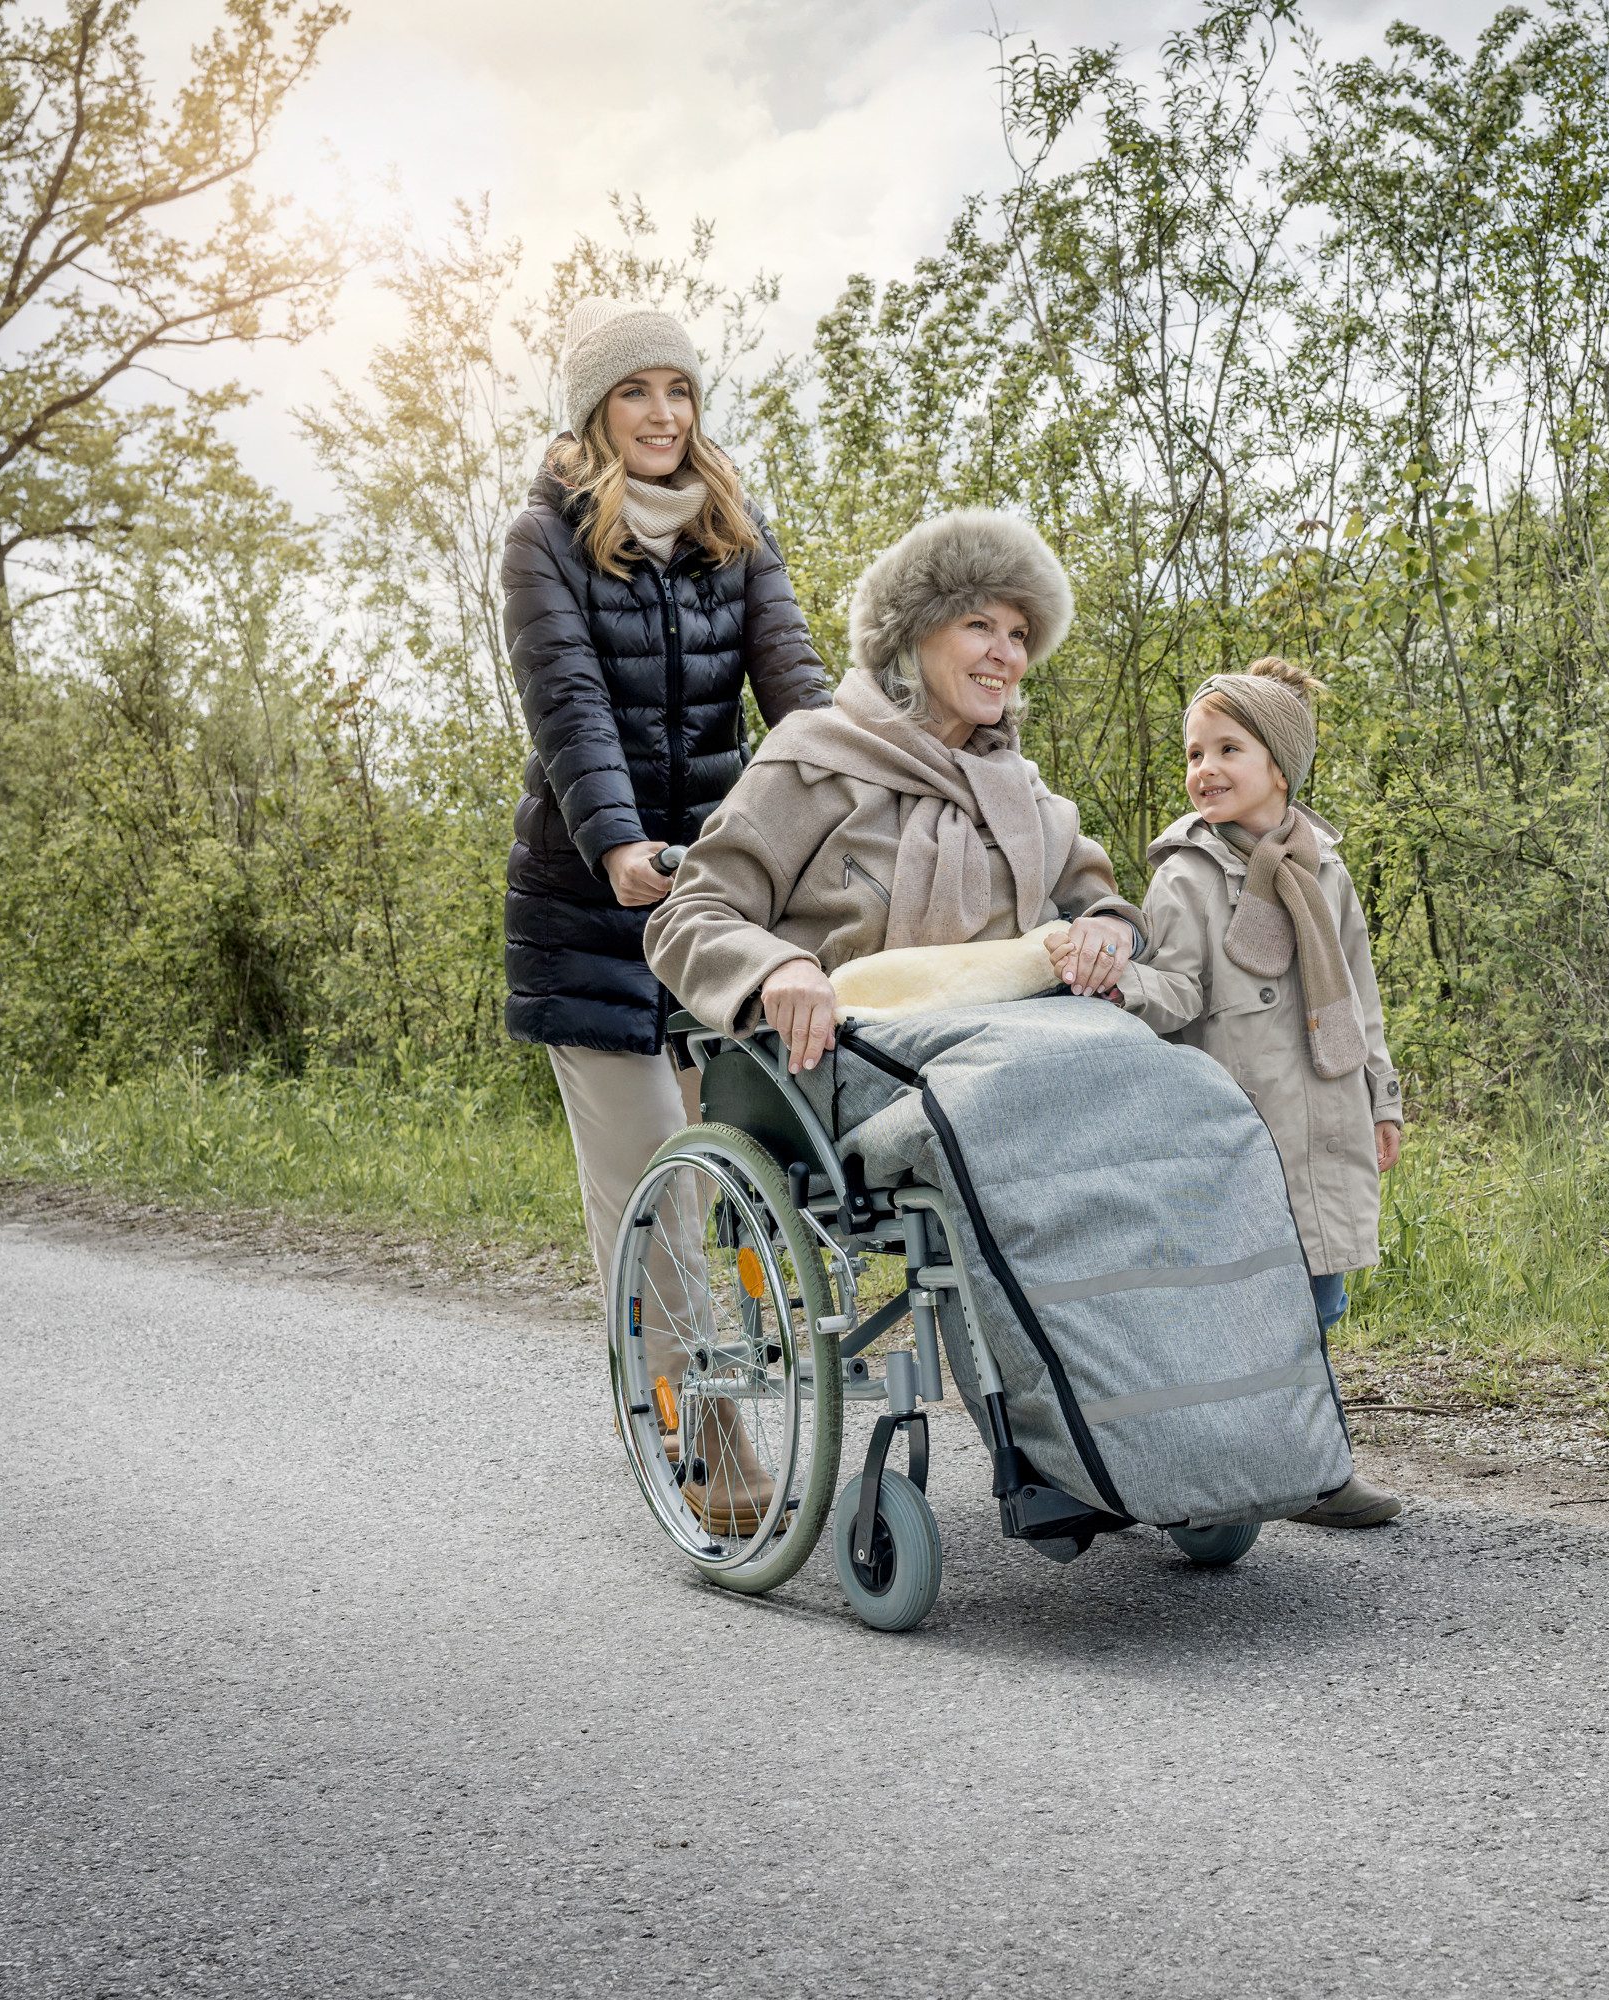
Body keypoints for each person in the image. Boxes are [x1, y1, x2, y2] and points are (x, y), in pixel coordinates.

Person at [501, 297, 830, 1527]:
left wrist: (851, 799)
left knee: (727, 1174)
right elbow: (569, 703)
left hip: (719, 899)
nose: (661, 414)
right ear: (594, 412)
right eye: (636, 393)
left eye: (678, 392)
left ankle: (729, 1385)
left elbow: (794, 690)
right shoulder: (539, 539)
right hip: (592, 902)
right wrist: (616, 842)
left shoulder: (735, 532)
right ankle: (704, 1431)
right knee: (644, 1178)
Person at [644, 510, 1144, 1064]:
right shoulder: (813, 761)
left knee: (1188, 1090)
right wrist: (776, 967)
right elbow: (690, 916)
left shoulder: (1020, 792)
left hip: (1038, 1044)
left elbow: (1096, 901)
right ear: (910, 633)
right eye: (979, 626)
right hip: (870, 1067)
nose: (1006, 654)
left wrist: (1110, 927)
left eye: (1019, 635)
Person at [1115, 657, 1407, 1529]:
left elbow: (1358, 993)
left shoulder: (1327, 874)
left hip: (1323, 1116)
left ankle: (1315, 1466)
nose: (1204, 768)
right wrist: (1120, 985)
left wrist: (1382, 1097)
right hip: (1237, 1124)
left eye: (1227, 749)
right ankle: (1226, 1466)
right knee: (1238, 1300)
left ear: (1279, 765)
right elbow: (1176, 991)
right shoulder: (1187, 877)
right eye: (1194, 753)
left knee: (1317, 1297)